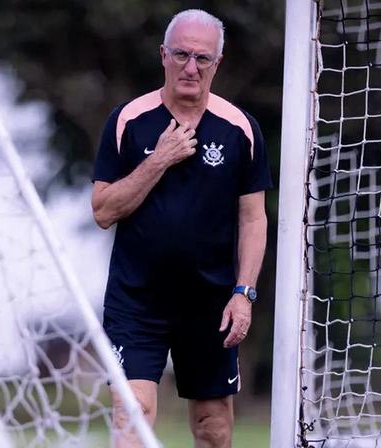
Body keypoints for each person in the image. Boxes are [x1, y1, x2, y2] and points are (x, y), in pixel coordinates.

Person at [91, 8, 271, 448]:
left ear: (217, 63)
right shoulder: (128, 120)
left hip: (211, 303)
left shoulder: (240, 128)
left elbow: (253, 218)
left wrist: (244, 294)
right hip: (136, 301)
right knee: (132, 414)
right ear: (163, 55)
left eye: (202, 58)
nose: (191, 67)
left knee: (213, 427)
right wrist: (159, 160)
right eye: (181, 55)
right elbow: (103, 211)